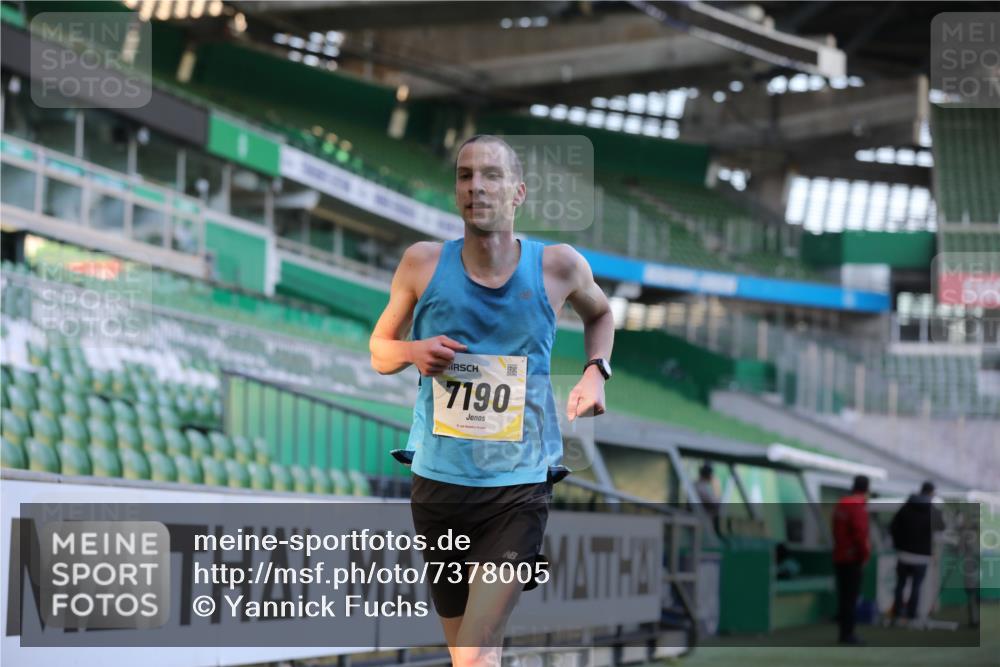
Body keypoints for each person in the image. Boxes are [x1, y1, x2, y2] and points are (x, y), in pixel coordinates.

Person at [369, 134, 615, 667]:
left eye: (491, 175)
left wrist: (596, 371)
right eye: (465, 175)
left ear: (518, 192)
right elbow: (379, 351)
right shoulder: (422, 264)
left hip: (518, 489)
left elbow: (601, 314)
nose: (476, 185)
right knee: (470, 651)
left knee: (475, 652)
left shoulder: (559, 266)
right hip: (439, 485)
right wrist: (414, 350)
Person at [889, 481, 945, 624]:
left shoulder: (905, 508)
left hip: (903, 554)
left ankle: (897, 614)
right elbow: (942, 526)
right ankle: (911, 615)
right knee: (916, 586)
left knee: (900, 585)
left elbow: (892, 527)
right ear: (931, 493)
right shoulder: (932, 510)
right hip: (922, 556)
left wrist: (898, 545)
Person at [832, 474, 871, 645]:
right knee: (851, 597)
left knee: (843, 597)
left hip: (840, 555)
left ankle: (844, 631)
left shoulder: (841, 505)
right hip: (852, 558)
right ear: (867, 489)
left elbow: (836, 530)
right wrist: (864, 556)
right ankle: (848, 634)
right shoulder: (857, 507)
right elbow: (860, 534)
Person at [694, 462, 721, 534]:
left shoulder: (701, 485)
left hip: (702, 518)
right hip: (700, 519)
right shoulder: (700, 486)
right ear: (708, 475)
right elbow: (714, 504)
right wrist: (716, 487)